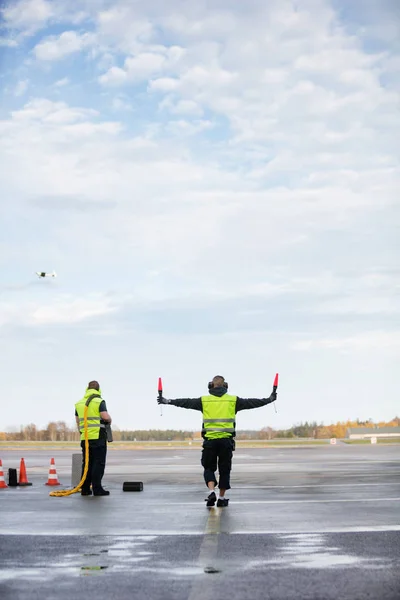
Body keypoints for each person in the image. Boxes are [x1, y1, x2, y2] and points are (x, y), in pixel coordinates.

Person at [157, 375, 277, 507]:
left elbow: (185, 402)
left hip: (210, 441)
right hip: (226, 442)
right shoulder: (233, 400)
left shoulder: (204, 401)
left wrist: (167, 401)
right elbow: (253, 402)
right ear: (225, 386)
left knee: (208, 467)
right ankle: (221, 498)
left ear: (210, 386)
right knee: (225, 470)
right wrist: (269, 399)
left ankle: (211, 491)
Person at [75, 380, 112, 496]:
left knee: (86, 462)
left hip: (85, 437)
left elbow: (77, 420)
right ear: (98, 389)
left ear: (87, 389)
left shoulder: (79, 403)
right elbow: (104, 416)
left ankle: (85, 488)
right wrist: (109, 420)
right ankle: (97, 488)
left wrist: (82, 431)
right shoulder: (99, 401)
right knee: (98, 462)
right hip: (97, 436)